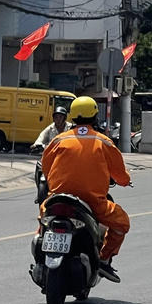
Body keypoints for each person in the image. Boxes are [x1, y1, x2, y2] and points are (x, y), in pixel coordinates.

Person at [40, 96, 132, 283]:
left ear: (72, 116)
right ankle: (104, 260)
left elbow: (46, 167)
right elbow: (120, 175)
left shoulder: (58, 140)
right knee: (122, 223)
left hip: (57, 199)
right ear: (95, 116)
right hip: (92, 202)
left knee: (43, 222)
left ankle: (41, 258)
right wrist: (125, 181)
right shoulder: (104, 142)